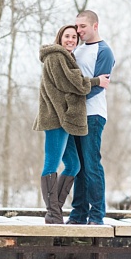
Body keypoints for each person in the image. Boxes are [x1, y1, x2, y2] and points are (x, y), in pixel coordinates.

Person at [33, 25, 110, 224]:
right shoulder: (55, 57)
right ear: (60, 37)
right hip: (55, 118)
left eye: (74, 37)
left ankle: (55, 208)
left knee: (74, 164)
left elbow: (72, 81)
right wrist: (96, 81)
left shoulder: (68, 57)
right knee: (51, 162)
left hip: (65, 120)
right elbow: (71, 83)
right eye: (67, 36)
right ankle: (52, 213)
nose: (71, 40)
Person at [67, 10, 115, 225]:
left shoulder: (104, 51)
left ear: (95, 25)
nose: (78, 31)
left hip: (93, 115)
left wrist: (73, 96)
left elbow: (97, 85)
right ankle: (77, 214)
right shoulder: (76, 50)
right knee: (78, 167)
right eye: (77, 27)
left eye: (83, 27)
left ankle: (96, 216)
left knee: (92, 166)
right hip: (75, 115)